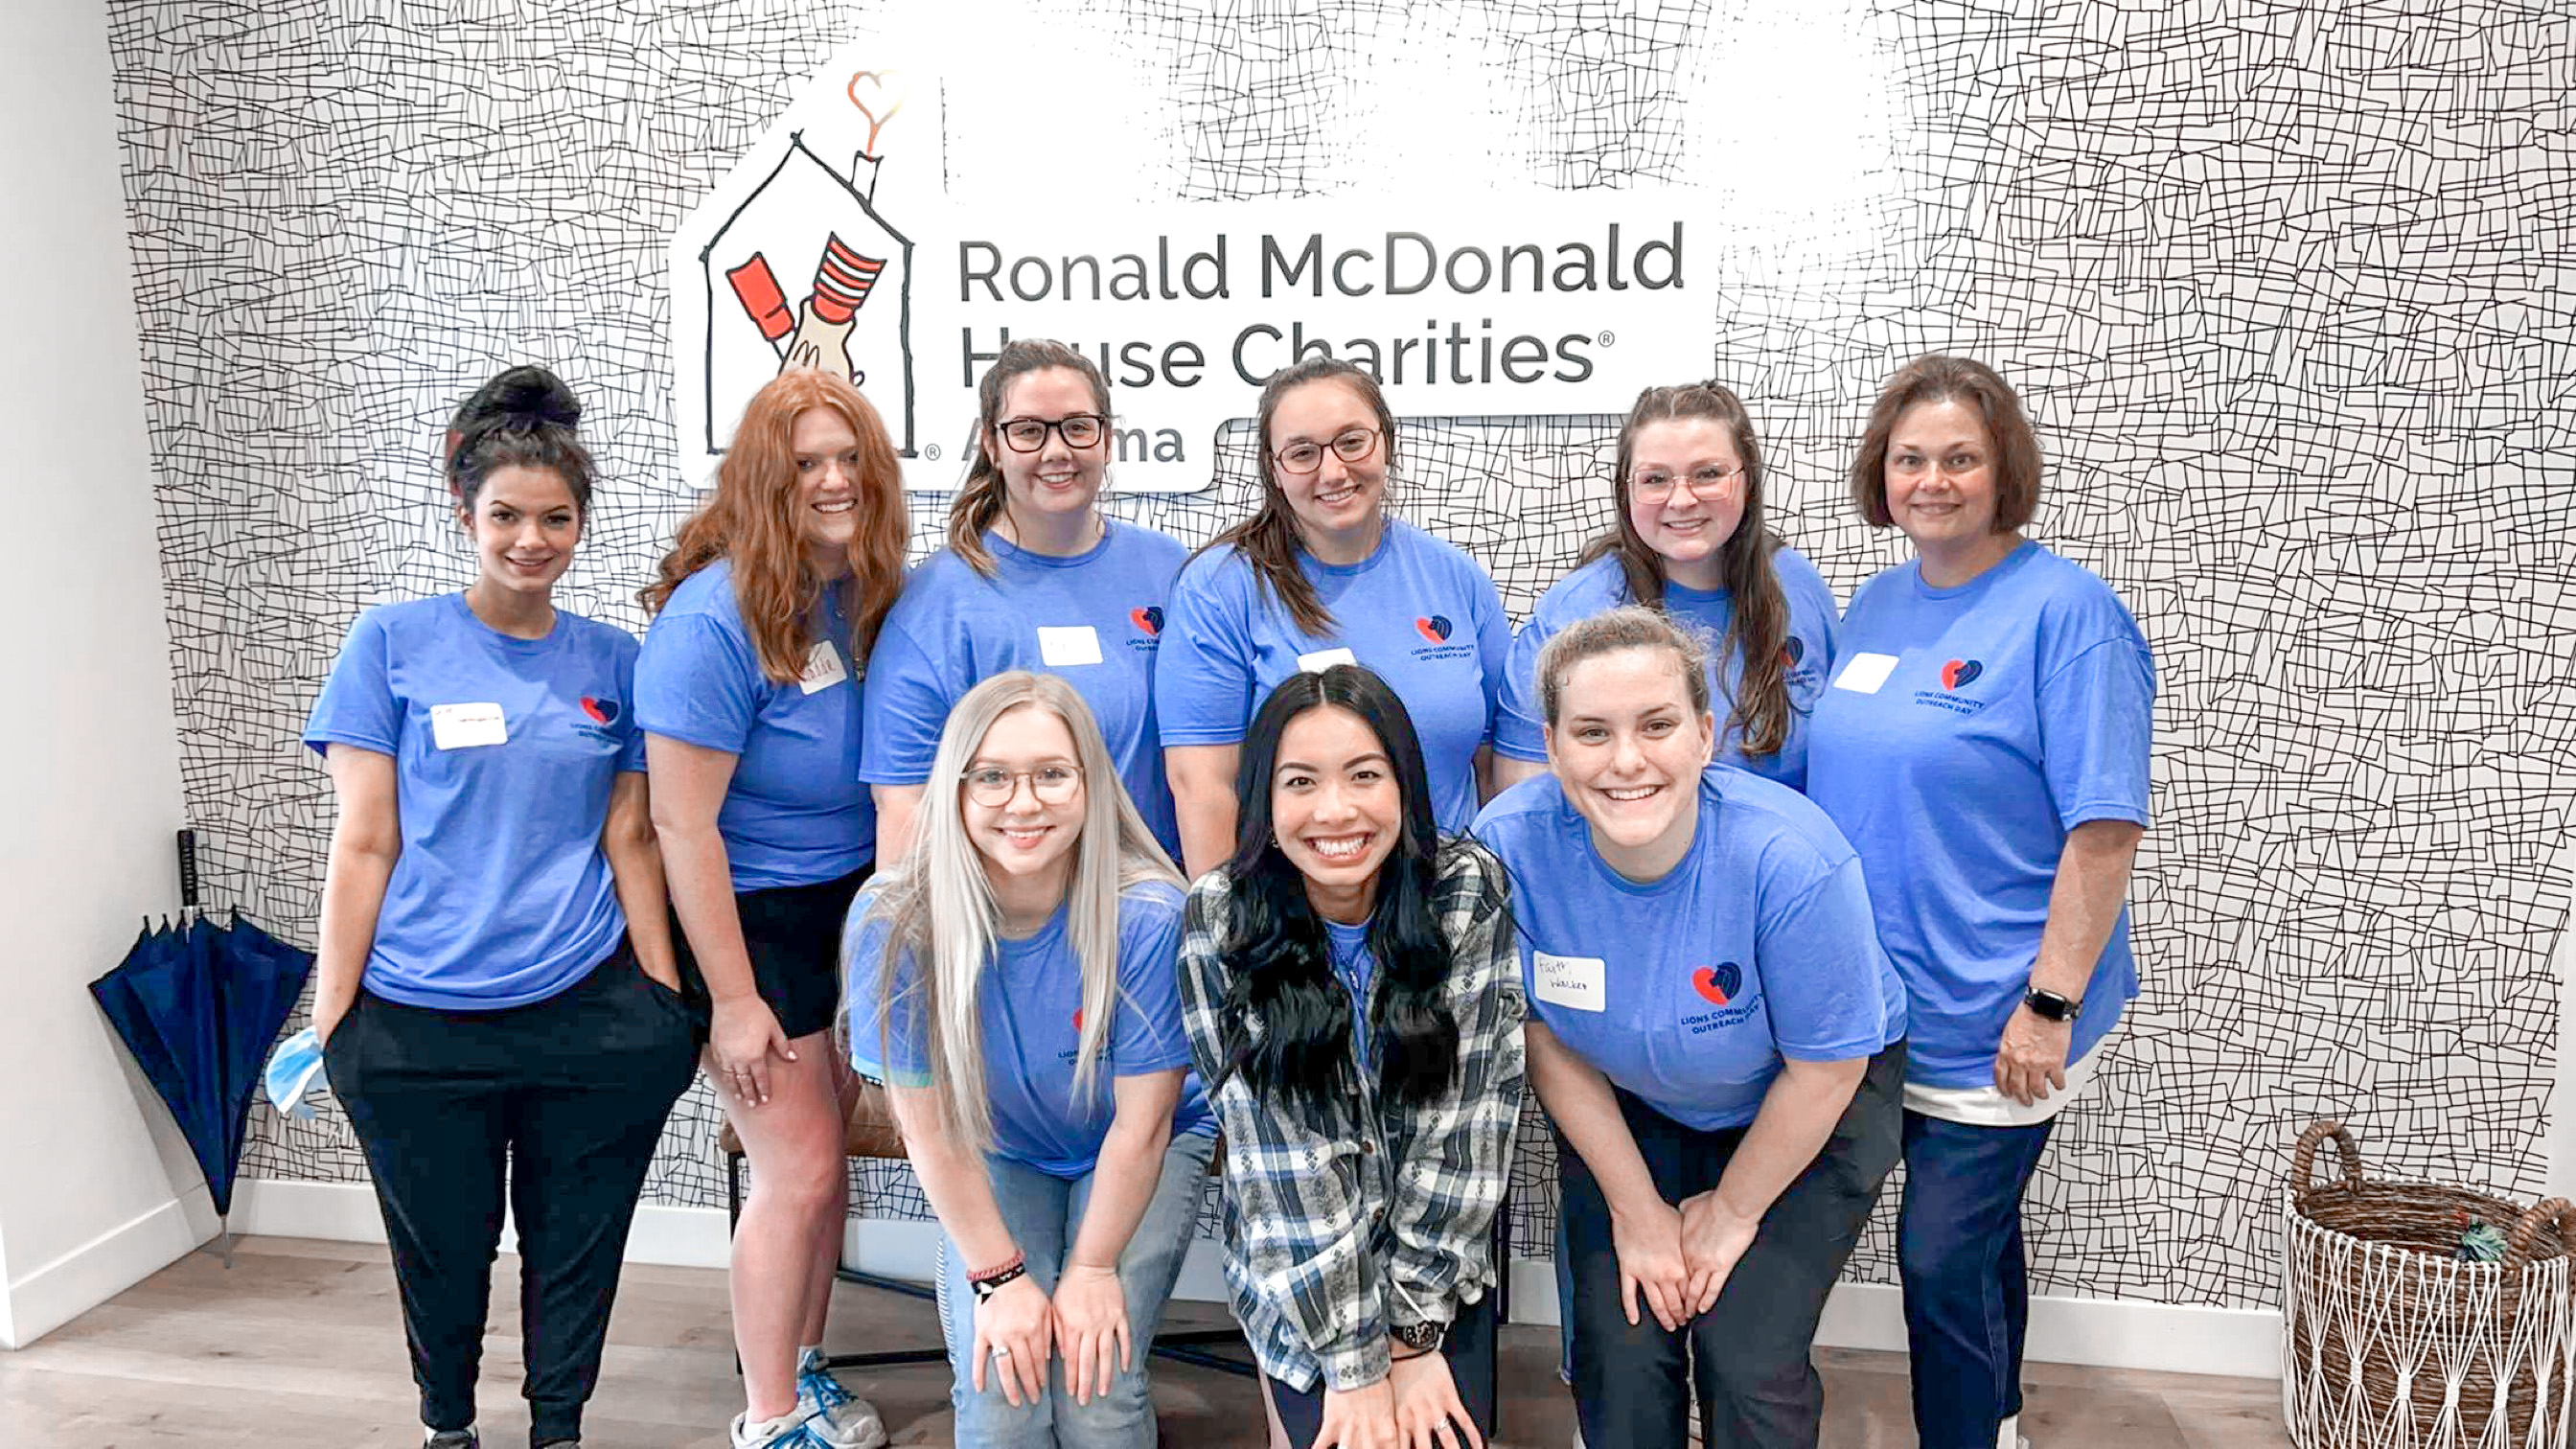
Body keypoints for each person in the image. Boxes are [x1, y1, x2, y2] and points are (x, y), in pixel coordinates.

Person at [308, 365, 699, 1449]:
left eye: (557, 519)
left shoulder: (617, 662)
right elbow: (367, 837)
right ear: (465, 513)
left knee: (578, 1246)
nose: (533, 540)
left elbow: (632, 835)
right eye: (508, 517)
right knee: (442, 1249)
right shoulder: (390, 643)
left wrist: (665, 999)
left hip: (588, 1012)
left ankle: (559, 1427)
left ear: (582, 523)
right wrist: (335, 1020)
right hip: (418, 1017)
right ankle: (447, 1428)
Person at [1806, 355, 2154, 1449]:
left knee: (1938, 1259)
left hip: (2007, 1006)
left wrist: (2047, 1004)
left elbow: (2104, 833)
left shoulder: (2068, 614)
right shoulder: (1875, 603)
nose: (1933, 480)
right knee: (1980, 1240)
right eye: (1910, 459)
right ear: (1882, 473)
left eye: (1961, 457)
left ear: (2006, 470)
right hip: (1892, 1006)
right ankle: (1998, 1420)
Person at [1474, 607, 1906, 1449]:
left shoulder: (1789, 859)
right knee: (1621, 1347)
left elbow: (1825, 1069)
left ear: (1706, 736)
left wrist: (1734, 1211)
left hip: (1810, 1101)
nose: (1627, 760)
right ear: (1553, 750)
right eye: (1592, 733)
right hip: (1632, 1103)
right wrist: (1637, 1212)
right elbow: (1543, 1034)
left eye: (1658, 725)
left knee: (1745, 1354)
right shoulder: (1509, 849)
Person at [634, 368, 908, 1449]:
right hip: (749, 922)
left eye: (851, 459)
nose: (834, 479)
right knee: (794, 1170)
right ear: (766, 479)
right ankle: (769, 1417)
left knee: (824, 1158)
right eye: (807, 464)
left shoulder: (860, 590)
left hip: (848, 904)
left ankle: (800, 1367)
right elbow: (679, 829)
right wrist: (734, 1002)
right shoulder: (714, 619)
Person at [846, 671, 1216, 1447]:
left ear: (1090, 784)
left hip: (1134, 1147)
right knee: (1000, 1389)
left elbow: (1141, 1129)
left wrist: (1090, 1273)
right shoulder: (895, 920)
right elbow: (930, 1132)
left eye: (1051, 774)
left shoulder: (1150, 914)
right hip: (997, 1150)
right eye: (993, 777)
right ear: (955, 787)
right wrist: (1002, 1281)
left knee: (1096, 1385)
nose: (1024, 803)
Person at [1177, 664, 1526, 1449]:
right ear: (1264, 800)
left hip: (1436, 1258)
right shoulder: (1221, 918)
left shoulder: (1466, 890)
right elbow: (1279, 1161)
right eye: (1301, 781)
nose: (1334, 810)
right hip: (1299, 1265)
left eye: (1365, 775)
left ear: (1405, 786)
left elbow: (1467, 1127)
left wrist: (1409, 1337)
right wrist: (1356, 1361)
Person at [1157, 357, 1508, 877]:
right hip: (1292, 914)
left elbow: (1492, 765)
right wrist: (1228, 931)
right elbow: (1202, 784)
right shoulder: (1220, 589)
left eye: (1352, 441)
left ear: (1386, 442)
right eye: (1303, 453)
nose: (1334, 471)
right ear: (1274, 470)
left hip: (1442, 908)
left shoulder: (1457, 578)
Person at [862, 339, 1188, 863]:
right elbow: (905, 802)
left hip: (1155, 906)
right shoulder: (938, 603)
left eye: (1078, 427)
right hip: (1013, 917)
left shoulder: (1169, 569)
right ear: (991, 444)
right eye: (1029, 431)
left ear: (1108, 438)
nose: (1057, 451)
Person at [1492, 380, 1839, 794]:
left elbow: (1838, 759)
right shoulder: (1575, 611)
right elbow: (1522, 793)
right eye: (1655, 479)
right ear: (1626, 490)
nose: (1682, 500)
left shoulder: (1797, 586)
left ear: (1748, 480)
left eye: (1708, 474)